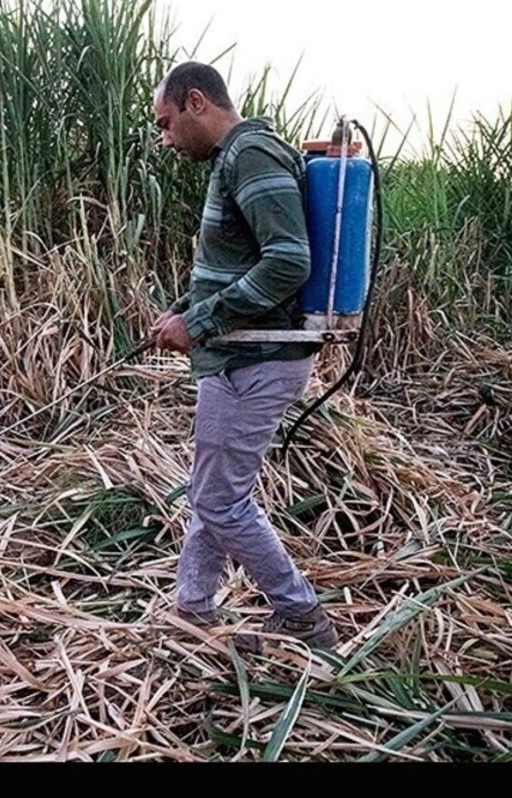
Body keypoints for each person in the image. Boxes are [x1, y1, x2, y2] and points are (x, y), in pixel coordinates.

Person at [149, 61, 338, 653]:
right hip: (237, 358)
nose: (166, 137)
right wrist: (182, 310)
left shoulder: (250, 155)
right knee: (214, 492)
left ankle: (301, 612)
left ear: (197, 101)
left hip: (253, 362)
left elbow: (288, 262)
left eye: (167, 122)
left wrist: (200, 321)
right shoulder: (237, 157)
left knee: (220, 500)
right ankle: (194, 607)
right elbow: (238, 262)